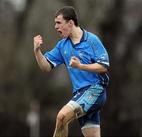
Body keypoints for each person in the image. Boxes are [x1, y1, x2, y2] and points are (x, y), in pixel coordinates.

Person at [33, 6, 110, 137]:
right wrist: (37, 51)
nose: (56, 27)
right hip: (80, 94)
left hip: (95, 90)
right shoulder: (62, 45)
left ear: (70, 23)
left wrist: (80, 66)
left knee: (62, 117)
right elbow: (46, 67)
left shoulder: (92, 40)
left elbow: (104, 66)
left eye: (58, 23)